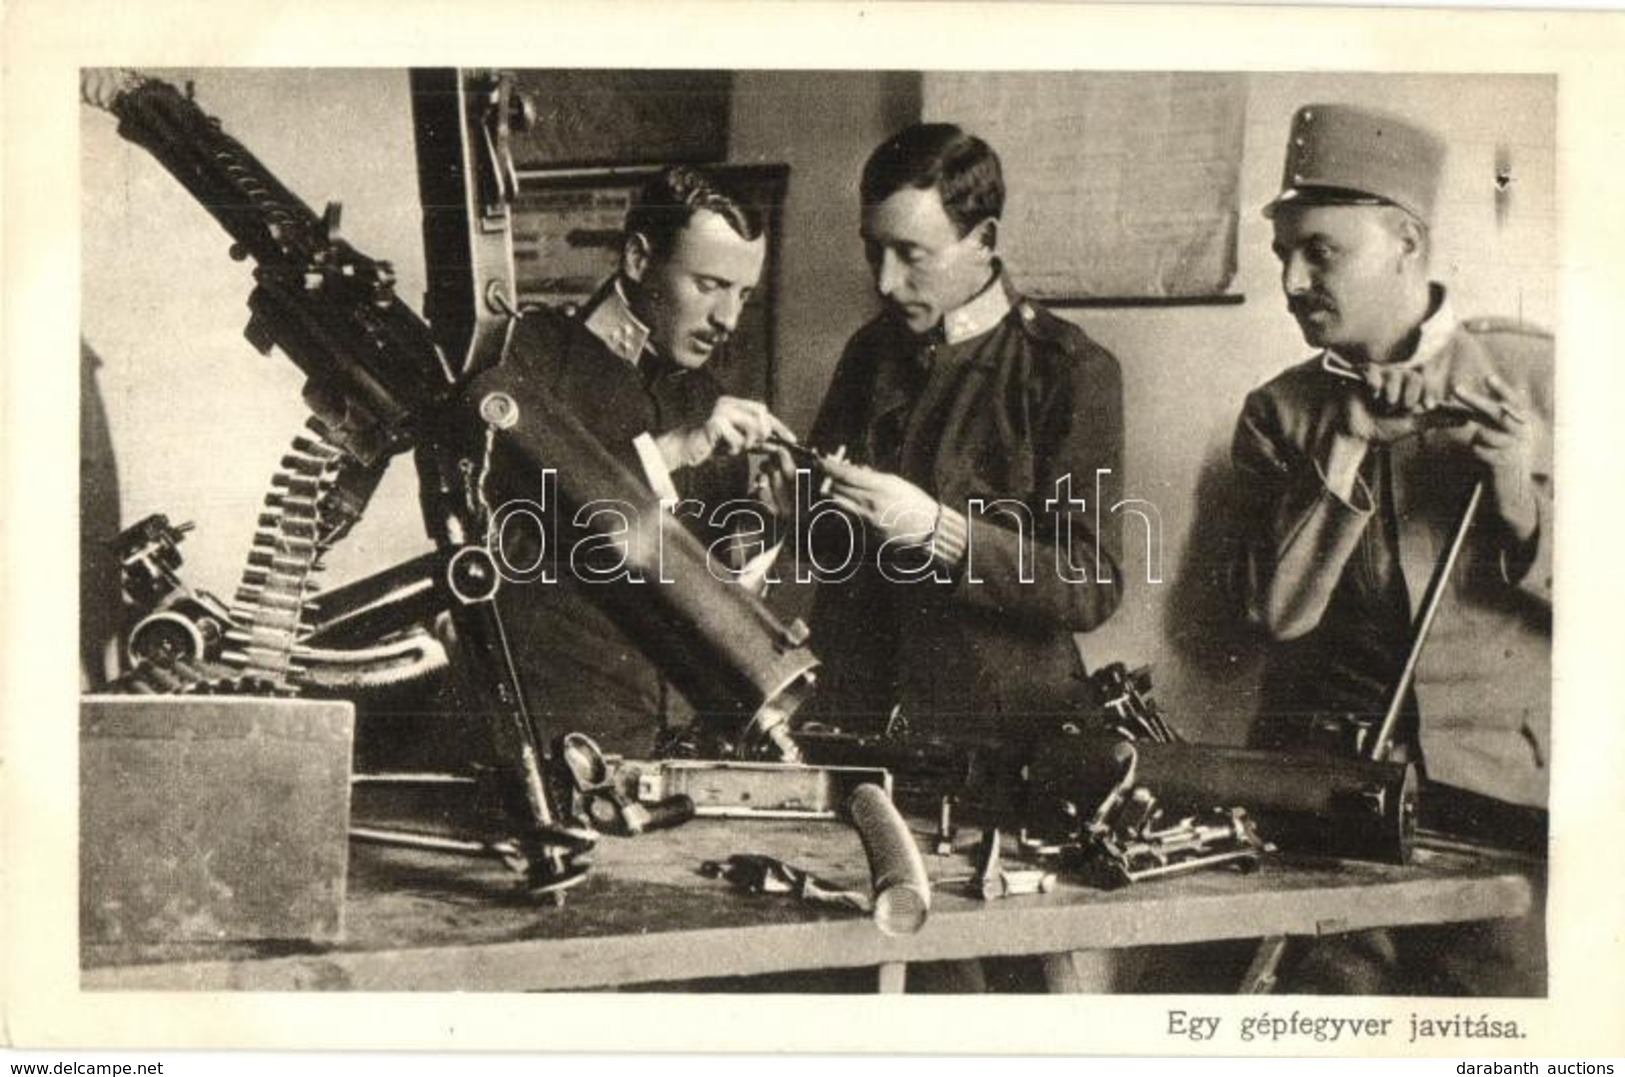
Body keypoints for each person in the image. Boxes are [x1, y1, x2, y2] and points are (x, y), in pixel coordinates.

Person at [1232, 104, 1552, 994]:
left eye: (1319, 252)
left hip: (1502, 809)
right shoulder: (1281, 411)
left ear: (1404, 242)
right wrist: (1346, 443)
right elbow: (1276, 615)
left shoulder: (1536, 376)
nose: (1292, 281)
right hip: (1331, 799)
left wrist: (1520, 499)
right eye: (1283, 256)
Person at [419, 166, 793, 756]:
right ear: (640, 261)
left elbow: (710, 595)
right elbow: (510, 541)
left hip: (663, 754)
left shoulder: (700, 396)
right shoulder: (525, 360)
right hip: (540, 749)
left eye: (742, 293)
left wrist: (768, 519)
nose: (729, 318)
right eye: (709, 285)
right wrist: (675, 451)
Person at [794, 123, 1125, 743]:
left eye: (910, 254)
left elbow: (1091, 584)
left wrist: (939, 533)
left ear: (984, 240)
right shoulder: (869, 352)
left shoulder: (1069, 371)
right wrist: (793, 499)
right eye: (874, 251)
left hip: (996, 731)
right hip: (856, 720)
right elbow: (828, 551)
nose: (886, 282)